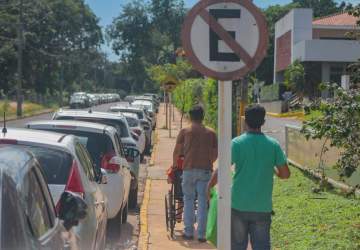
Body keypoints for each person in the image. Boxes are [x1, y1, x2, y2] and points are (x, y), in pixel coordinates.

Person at [207, 104, 290, 250]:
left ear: (245, 121)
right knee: (262, 246)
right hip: (262, 206)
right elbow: (285, 174)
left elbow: (222, 169)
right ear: (263, 122)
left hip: (239, 205)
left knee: (238, 245)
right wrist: (273, 170)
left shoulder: (237, 143)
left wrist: (209, 186)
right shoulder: (273, 145)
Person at [173, 105, 218, 242]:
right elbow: (215, 155)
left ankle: (188, 232)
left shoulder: (185, 131)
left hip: (188, 170)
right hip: (205, 171)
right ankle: (202, 235)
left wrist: (175, 165)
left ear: (190, 116)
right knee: (203, 202)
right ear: (203, 116)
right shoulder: (211, 133)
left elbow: (177, 152)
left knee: (188, 200)